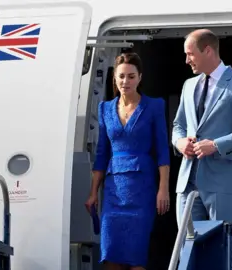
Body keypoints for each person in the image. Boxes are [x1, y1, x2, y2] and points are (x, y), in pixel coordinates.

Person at [85, 52, 171, 270]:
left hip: (142, 190)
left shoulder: (154, 106)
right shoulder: (105, 108)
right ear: (114, 77)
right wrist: (94, 192)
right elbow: (102, 153)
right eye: (122, 76)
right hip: (113, 192)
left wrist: (163, 189)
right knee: (110, 257)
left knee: (136, 258)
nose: (126, 81)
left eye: (131, 76)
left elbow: (162, 150)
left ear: (140, 78)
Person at [172, 29, 232, 225]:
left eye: (190, 54)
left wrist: (215, 145)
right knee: (187, 250)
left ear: (208, 51)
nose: (187, 60)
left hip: (220, 183)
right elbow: (178, 125)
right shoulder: (188, 85)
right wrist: (179, 142)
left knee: (221, 247)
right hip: (186, 183)